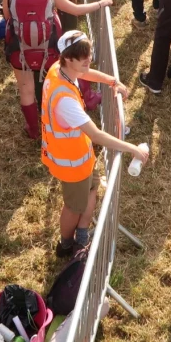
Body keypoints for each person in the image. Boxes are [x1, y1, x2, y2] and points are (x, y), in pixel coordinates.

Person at [41, 30, 148, 258]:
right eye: (83, 57)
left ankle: (82, 234)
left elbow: (86, 73)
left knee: (92, 188)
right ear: (68, 58)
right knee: (73, 207)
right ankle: (66, 245)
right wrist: (132, 149)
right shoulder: (65, 101)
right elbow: (97, 135)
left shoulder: (58, 70)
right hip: (71, 164)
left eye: (89, 54)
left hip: (80, 155)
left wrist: (112, 81)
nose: (88, 60)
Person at [6, 0, 114, 140]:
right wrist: (100, 3)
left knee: (26, 89)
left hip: (20, 52)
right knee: (62, 82)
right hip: (50, 50)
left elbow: (9, 21)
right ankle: (64, 116)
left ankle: (33, 130)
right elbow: (75, 10)